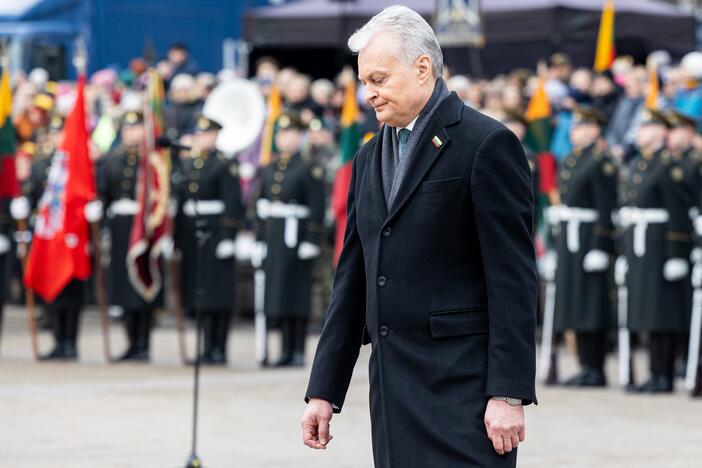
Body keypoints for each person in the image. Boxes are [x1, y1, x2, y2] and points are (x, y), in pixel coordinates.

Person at [301, 6, 537, 467]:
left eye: (379, 79)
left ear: (423, 68)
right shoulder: (369, 158)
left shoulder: (485, 144)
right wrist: (324, 390)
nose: (368, 93)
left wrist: (508, 393)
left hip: (462, 394)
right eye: (364, 81)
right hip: (393, 392)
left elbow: (513, 279)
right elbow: (353, 277)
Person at [619, 109, 691, 393]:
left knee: (662, 309)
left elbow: (678, 212)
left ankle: (664, 373)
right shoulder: (642, 164)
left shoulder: (668, 165)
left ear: (661, 131)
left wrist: (676, 252)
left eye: (646, 127)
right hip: (642, 242)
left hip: (661, 244)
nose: (640, 132)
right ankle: (654, 372)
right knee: (646, 308)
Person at [552, 106, 617, 387]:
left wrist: (601, 245)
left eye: (580, 127)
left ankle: (596, 366)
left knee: (592, 304)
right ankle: (584, 365)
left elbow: (606, 206)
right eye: (574, 126)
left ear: (594, 129)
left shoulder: (601, 161)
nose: (574, 131)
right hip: (571, 237)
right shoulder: (571, 160)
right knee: (575, 301)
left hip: (590, 238)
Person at [255, 111, 325, 367]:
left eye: (290, 134)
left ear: (300, 136)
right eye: (282, 134)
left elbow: (317, 205)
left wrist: (311, 239)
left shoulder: (308, 167)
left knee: (296, 293)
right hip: (275, 237)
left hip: (297, 237)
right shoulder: (270, 167)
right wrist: (259, 237)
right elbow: (260, 202)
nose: (285, 139)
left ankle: (295, 350)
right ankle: (283, 349)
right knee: (278, 294)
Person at [173, 115, 244, 365]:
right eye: (199, 135)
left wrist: (228, 235)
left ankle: (219, 347)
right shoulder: (191, 164)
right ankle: (206, 346)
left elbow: (233, 202)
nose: (202, 139)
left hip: (216, 233)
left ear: (215, 136)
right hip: (194, 234)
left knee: (218, 293)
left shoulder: (224, 163)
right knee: (200, 292)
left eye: (206, 134)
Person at [98, 111, 161, 361]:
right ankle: (130, 342)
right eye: (126, 129)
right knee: (122, 286)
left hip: (142, 226)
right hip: (120, 226)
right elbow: (105, 192)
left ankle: (143, 343)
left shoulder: (152, 159)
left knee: (141, 285)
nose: (130, 133)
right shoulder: (113, 158)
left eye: (134, 129)